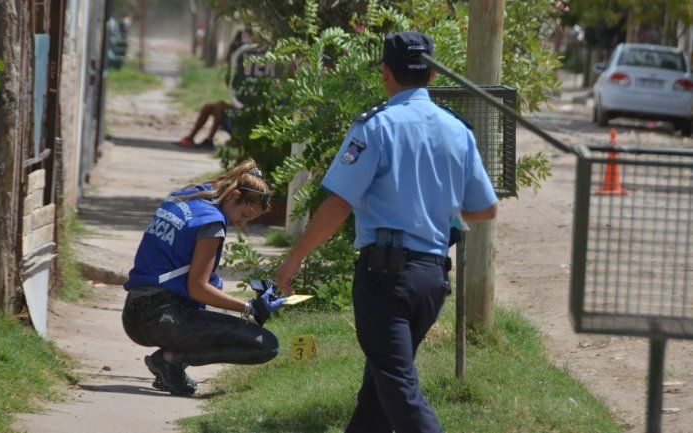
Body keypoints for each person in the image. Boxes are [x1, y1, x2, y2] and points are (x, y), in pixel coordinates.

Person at [276, 32, 498, 433]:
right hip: (431, 279)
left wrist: (295, 257)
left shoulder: (375, 127)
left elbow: (339, 204)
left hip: (385, 281)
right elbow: (486, 208)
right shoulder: (458, 131)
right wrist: (438, 209)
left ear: (384, 74)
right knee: (380, 387)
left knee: (397, 388)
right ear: (432, 73)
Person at [122, 159, 286, 396]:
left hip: (134, 314)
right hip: (163, 318)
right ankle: (171, 361)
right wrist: (250, 307)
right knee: (266, 346)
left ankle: (170, 361)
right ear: (234, 195)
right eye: (244, 214)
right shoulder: (212, 224)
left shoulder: (187, 196)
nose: (241, 223)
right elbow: (198, 289)